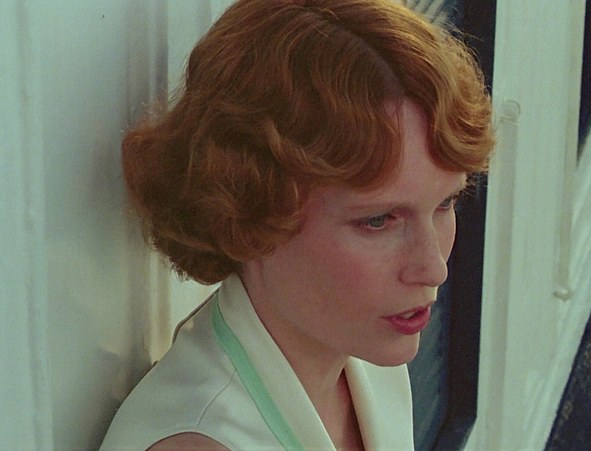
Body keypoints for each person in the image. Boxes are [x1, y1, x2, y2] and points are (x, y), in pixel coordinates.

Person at [100, 0, 493, 449]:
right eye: (378, 220)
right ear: (250, 210)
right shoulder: (204, 440)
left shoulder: (364, 356)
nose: (434, 268)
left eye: (446, 203)